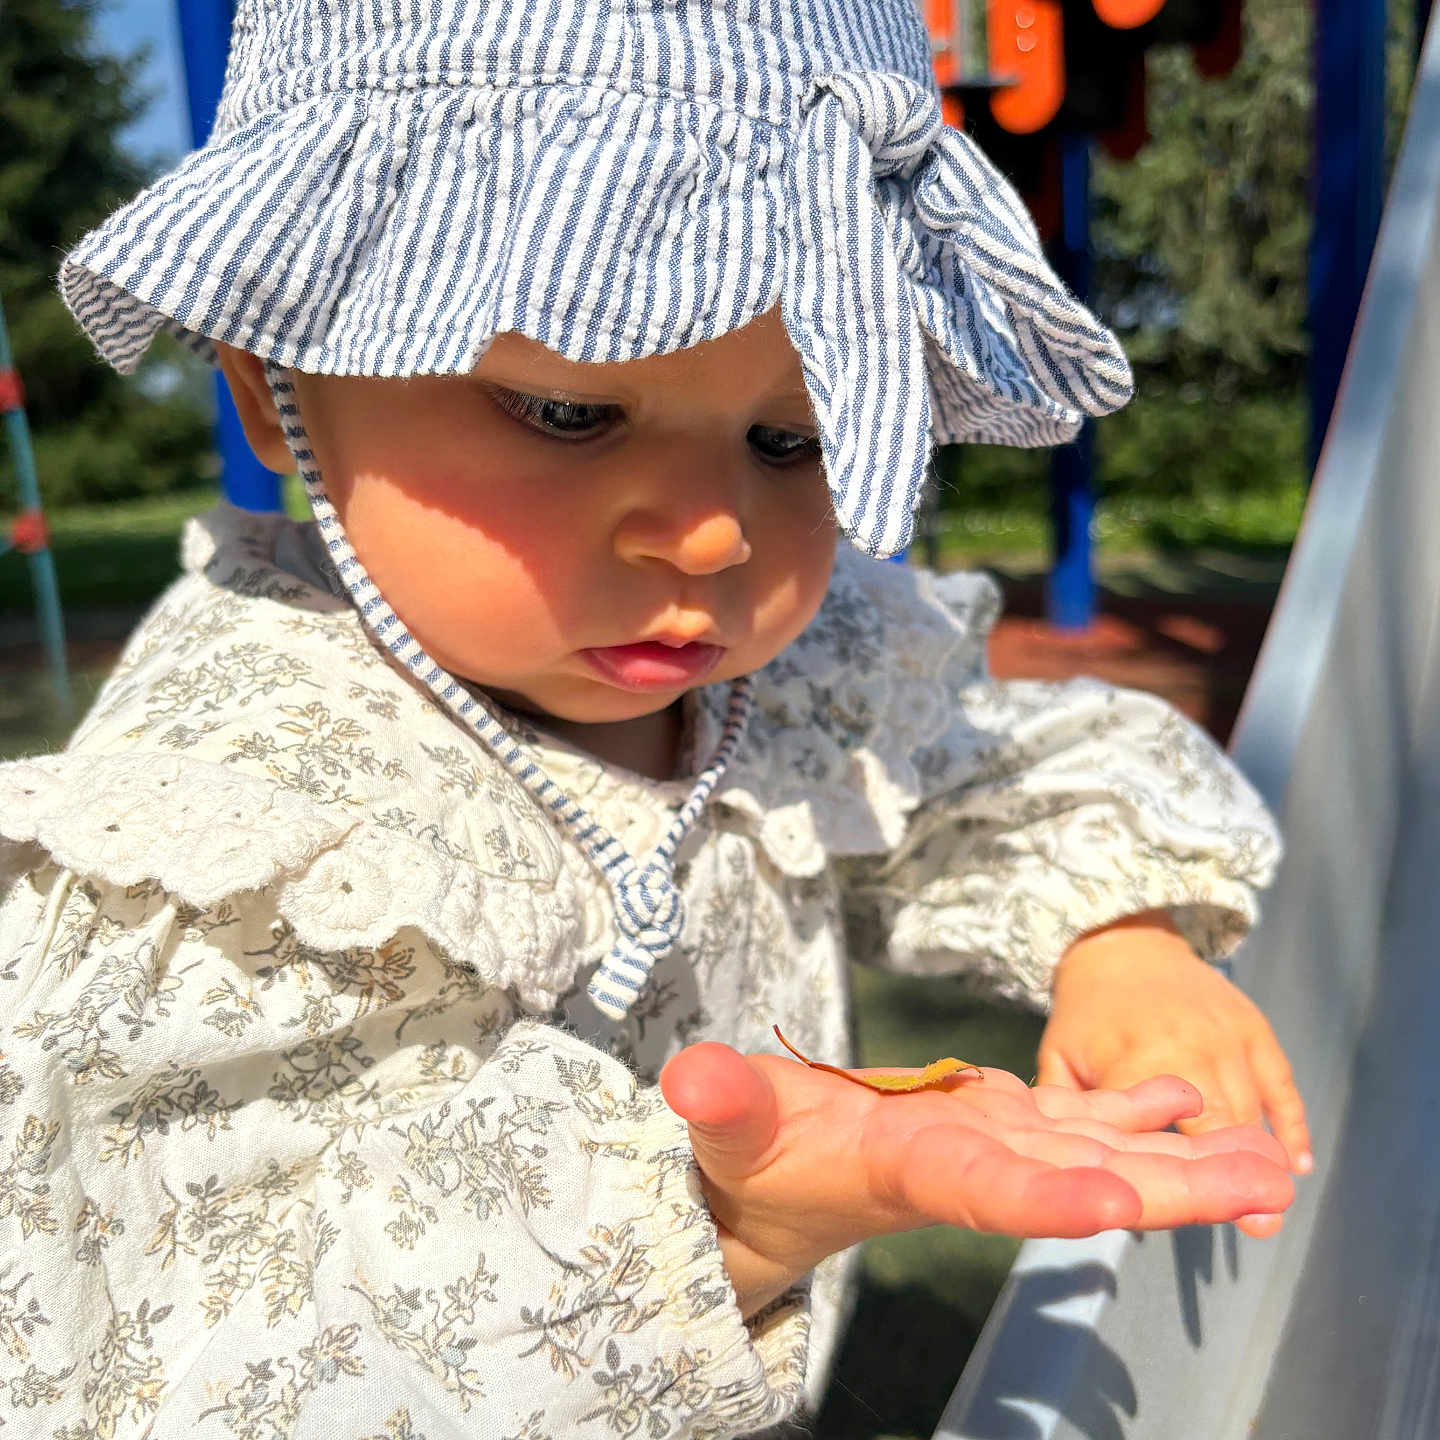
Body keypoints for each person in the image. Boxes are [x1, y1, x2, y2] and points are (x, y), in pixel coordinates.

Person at [0, 0, 1308, 1434]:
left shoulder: (790, 677)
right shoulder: (232, 811)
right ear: (275, 382)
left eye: (791, 438)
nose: (710, 533)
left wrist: (1121, 942)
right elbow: (188, 1328)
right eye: (571, 412)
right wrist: (717, 1233)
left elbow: (980, 781)